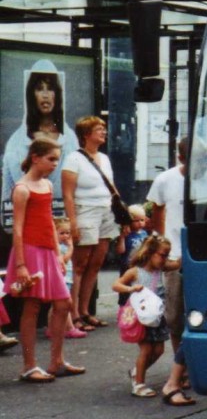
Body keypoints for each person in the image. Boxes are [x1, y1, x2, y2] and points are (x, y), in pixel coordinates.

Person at [3, 138, 85, 382]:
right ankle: (29, 366)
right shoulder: (22, 189)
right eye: (51, 159)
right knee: (33, 306)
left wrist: (57, 253)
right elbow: (18, 230)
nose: (54, 164)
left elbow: (49, 221)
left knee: (63, 303)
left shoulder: (47, 185)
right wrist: (20, 265)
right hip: (29, 252)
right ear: (35, 157)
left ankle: (56, 361)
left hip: (47, 252)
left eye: (57, 159)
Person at [147, 137, 207, 372]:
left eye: (205, 159)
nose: (203, 166)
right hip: (175, 255)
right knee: (175, 317)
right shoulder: (165, 180)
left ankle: (201, 363)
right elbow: (157, 212)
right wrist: (160, 250)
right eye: (198, 161)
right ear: (181, 159)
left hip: (206, 256)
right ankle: (181, 366)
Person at [61, 116, 125, 332]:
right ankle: (74, 314)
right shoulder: (73, 159)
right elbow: (68, 195)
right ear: (86, 134)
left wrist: (121, 213)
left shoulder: (104, 158)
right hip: (84, 211)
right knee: (79, 265)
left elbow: (112, 186)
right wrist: (72, 223)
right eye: (99, 129)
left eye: (104, 129)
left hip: (105, 212)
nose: (104, 132)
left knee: (96, 263)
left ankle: (86, 311)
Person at [2, 60, 79, 207]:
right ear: (31, 94)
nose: (45, 95)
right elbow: (7, 195)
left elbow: (77, 186)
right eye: (39, 88)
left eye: (50, 88)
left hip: (62, 224)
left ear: (57, 93)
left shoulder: (70, 139)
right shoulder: (16, 142)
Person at [111, 235, 172, 398]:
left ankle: (136, 371)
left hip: (157, 316)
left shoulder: (161, 269)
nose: (164, 259)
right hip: (141, 316)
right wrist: (130, 289)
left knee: (159, 350)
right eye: (162, 255)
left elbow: (177, 264)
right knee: (146, 349)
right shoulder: (135, 272)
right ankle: (139, 384)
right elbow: (116, 285)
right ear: (150, 253)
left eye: (167, 255)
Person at [51, 217, 87, 339]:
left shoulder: (62, 245)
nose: (66, 236)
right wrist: (71, 247)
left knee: (56, 306)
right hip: (62, 278)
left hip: (67, 277)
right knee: (64, 303)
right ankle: (70, 328)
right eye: (62, 233)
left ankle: (51, 329)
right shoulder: (59, 247)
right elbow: (64, 260)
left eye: (68, 233)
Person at [115, 204, 149, 307]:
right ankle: (123, 309)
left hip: (141, 266)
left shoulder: (144, 233)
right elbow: (120, 251)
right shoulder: (127, 235)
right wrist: (121, 238)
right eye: (136, 221)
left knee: (141, 289)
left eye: (142, 220)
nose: (140, 223)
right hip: (128, 266)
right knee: (126, 290)